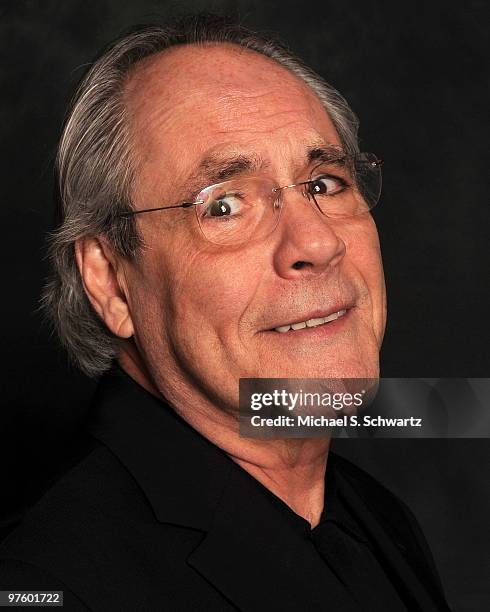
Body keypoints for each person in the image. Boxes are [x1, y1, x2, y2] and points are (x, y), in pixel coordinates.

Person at [0, 15, 452, 611]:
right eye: (225, 205)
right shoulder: (51, 581)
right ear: (110, 282)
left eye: (323, 183)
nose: (317, 243)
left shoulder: (376, 518)